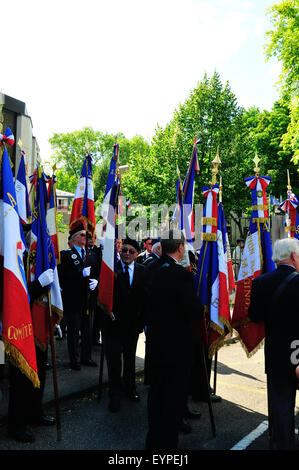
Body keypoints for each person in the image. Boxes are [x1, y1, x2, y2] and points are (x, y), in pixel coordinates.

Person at [145, 229, 203, 450]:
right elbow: (193, 309)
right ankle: (167, 446)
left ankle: (153, 442)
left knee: (156, 394)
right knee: (174, 397)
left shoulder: (150, 268)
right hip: (177, 347)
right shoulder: (182, 275)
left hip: (156, 343)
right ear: (180, 248)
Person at [248, 237, 299, 450]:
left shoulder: (260, 282)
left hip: (277, 353)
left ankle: (282, 445)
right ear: (294, 256)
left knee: (280, 408)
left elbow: (254, 316)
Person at [7, 225, 56, 443]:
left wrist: (52, 313)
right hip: (17, 326)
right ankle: (16, 424)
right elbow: (15, 295)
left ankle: (35, 413)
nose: (29, 235)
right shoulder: (11, 256)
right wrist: (38, 285)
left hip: (38, 322)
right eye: (26, 231)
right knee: (20, 379)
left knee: (40, 372)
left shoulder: (35, 255)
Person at [103, 237, 146, 413]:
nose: (126, 253)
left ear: (136, 254)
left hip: (132, 325)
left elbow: (146, 298)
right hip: (113, 325)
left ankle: (130, 389)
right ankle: (114, 395)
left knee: (129, 360)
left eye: (130, 251)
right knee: (114, 362)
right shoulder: (110, 270)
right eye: (124, 250)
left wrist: (141, 322)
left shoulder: (143, 271)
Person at [58, 224, 100, 370]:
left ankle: (86, 357)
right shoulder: (65, 255)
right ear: (74, 238)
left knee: (88, 331)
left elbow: (98, 273)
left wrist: (97, 282)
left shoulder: (92, 255)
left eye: (86, 235)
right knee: (74, 332)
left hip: (89, 301)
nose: (85, 238)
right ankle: (74, 360)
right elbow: (62, 278)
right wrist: (79, 274)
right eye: (82, 235)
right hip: (73, 300)